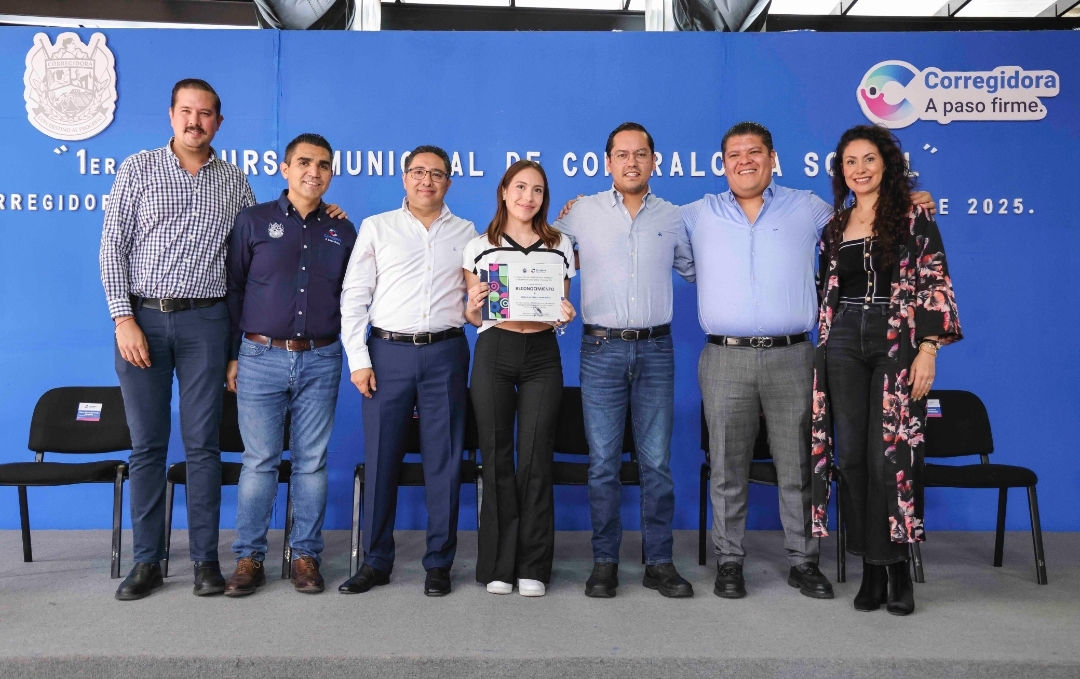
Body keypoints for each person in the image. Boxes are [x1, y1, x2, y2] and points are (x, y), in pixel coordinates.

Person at [682, 121, 936, 601]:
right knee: (726, 467)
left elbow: (870, 215)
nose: (745, 161)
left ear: (772, 158)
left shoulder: (811, 208)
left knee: (799, 467)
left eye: (755, 152)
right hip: (725, 356)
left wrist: (911, 201)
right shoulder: (696, 214)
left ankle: (803, 561)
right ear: (723, 163)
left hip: (795, 356)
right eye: (734, 154)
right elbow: (650, 232)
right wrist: (571, 211)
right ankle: (729, 561)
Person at [100, 79, 257, 601]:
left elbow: (249, 263)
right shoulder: (138, 169)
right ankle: (147, 561)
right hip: (142, 320)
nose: (195, 121)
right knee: (147, 445)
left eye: (205, 113)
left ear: (218, 122)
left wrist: (235, 349)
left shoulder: (235, 182)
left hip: (206, 324)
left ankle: (205, 562)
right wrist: (122, 318)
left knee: (202, 445)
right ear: (171, 115)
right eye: (186, 111)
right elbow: (112, 248)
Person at [811, 125, 961, 616]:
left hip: (895, 338)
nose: (860, 169)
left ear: (886, 164)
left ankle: (898, 569)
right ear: (841, 171)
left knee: (890, 456)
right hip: (842, 340)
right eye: (850, 161)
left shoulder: (913, 214)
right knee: (852, 457)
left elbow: (934, 279)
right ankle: (871, 569)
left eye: (869, 159)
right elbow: (825, 288)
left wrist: (929, 348)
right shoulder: (835, 225)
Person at [554, 123, 695, 599]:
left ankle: (659, 562)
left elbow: (697, 268)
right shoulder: (581, 213)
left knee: (656, 463)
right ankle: (605, 561)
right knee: (602, 464)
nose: (631, 162)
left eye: (640, 154)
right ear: (607, 162)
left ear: (654, 160)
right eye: (622, 154)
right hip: (601, 349)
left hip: (657, 349)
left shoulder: (673, 216)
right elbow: (544, 253)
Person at [338, 145, 475, 598]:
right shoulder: (378, 227)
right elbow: (354, 296)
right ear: (404, 178)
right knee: (382, 460)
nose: (426, 181)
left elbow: (479, 300)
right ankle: (376, 561)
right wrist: (359, 360)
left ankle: (439, 563)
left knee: (445, 461)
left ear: (448, 182)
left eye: (436, 174)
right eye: (418, 172)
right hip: (387, 354)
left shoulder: (468, 233)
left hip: (446, 353)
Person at [223, 133, 356, 596]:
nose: (313, 172)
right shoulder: (253, 220)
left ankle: (305, 556)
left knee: (311, 463)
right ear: (285, 169)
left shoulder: (342, 230)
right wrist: (232, 355)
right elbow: (234, 289)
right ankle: (249, 558)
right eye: (304, 162)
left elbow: (354, 296)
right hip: (260, 357)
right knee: (259, 462)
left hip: (321, 357)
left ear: (331, 173)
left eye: (323, 165)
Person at [463, 160, 576, 597]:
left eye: (538, 190)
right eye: (521, 187)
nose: (529, 197)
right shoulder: (479, 247)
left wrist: (564, 315)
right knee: (496, 456)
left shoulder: (560, 244)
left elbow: (560, 308)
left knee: (535, 458)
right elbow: (475, 317)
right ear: (504, 191)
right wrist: (473, 307)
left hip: (542, 354)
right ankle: (498, 565)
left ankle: (532, 566)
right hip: (495, 349)